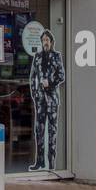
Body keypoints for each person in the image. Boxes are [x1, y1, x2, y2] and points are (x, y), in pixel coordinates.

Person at [28, 30, 65, 171]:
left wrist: (50, 82)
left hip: (52, 99)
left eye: (47, 40)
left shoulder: (57, 56)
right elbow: (32, 77)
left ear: (51, 42)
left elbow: (61, 76)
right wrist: (34, 93)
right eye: (43, 40)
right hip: (40, 100)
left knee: (52, 131)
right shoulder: (37, 57)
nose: (45, 42)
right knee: (39, 130)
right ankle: (40, 162)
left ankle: (51, 163)